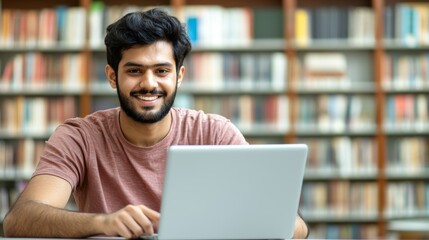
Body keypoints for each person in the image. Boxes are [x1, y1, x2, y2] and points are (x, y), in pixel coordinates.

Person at [3, 8, 309, 239]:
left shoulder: (214, 132)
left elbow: (296, 228)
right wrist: (103, 222)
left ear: (179, 76)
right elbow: (19, 220)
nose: (149, 83)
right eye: (134, 70)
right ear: (113, 76)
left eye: (162, 71)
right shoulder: (80, 137)